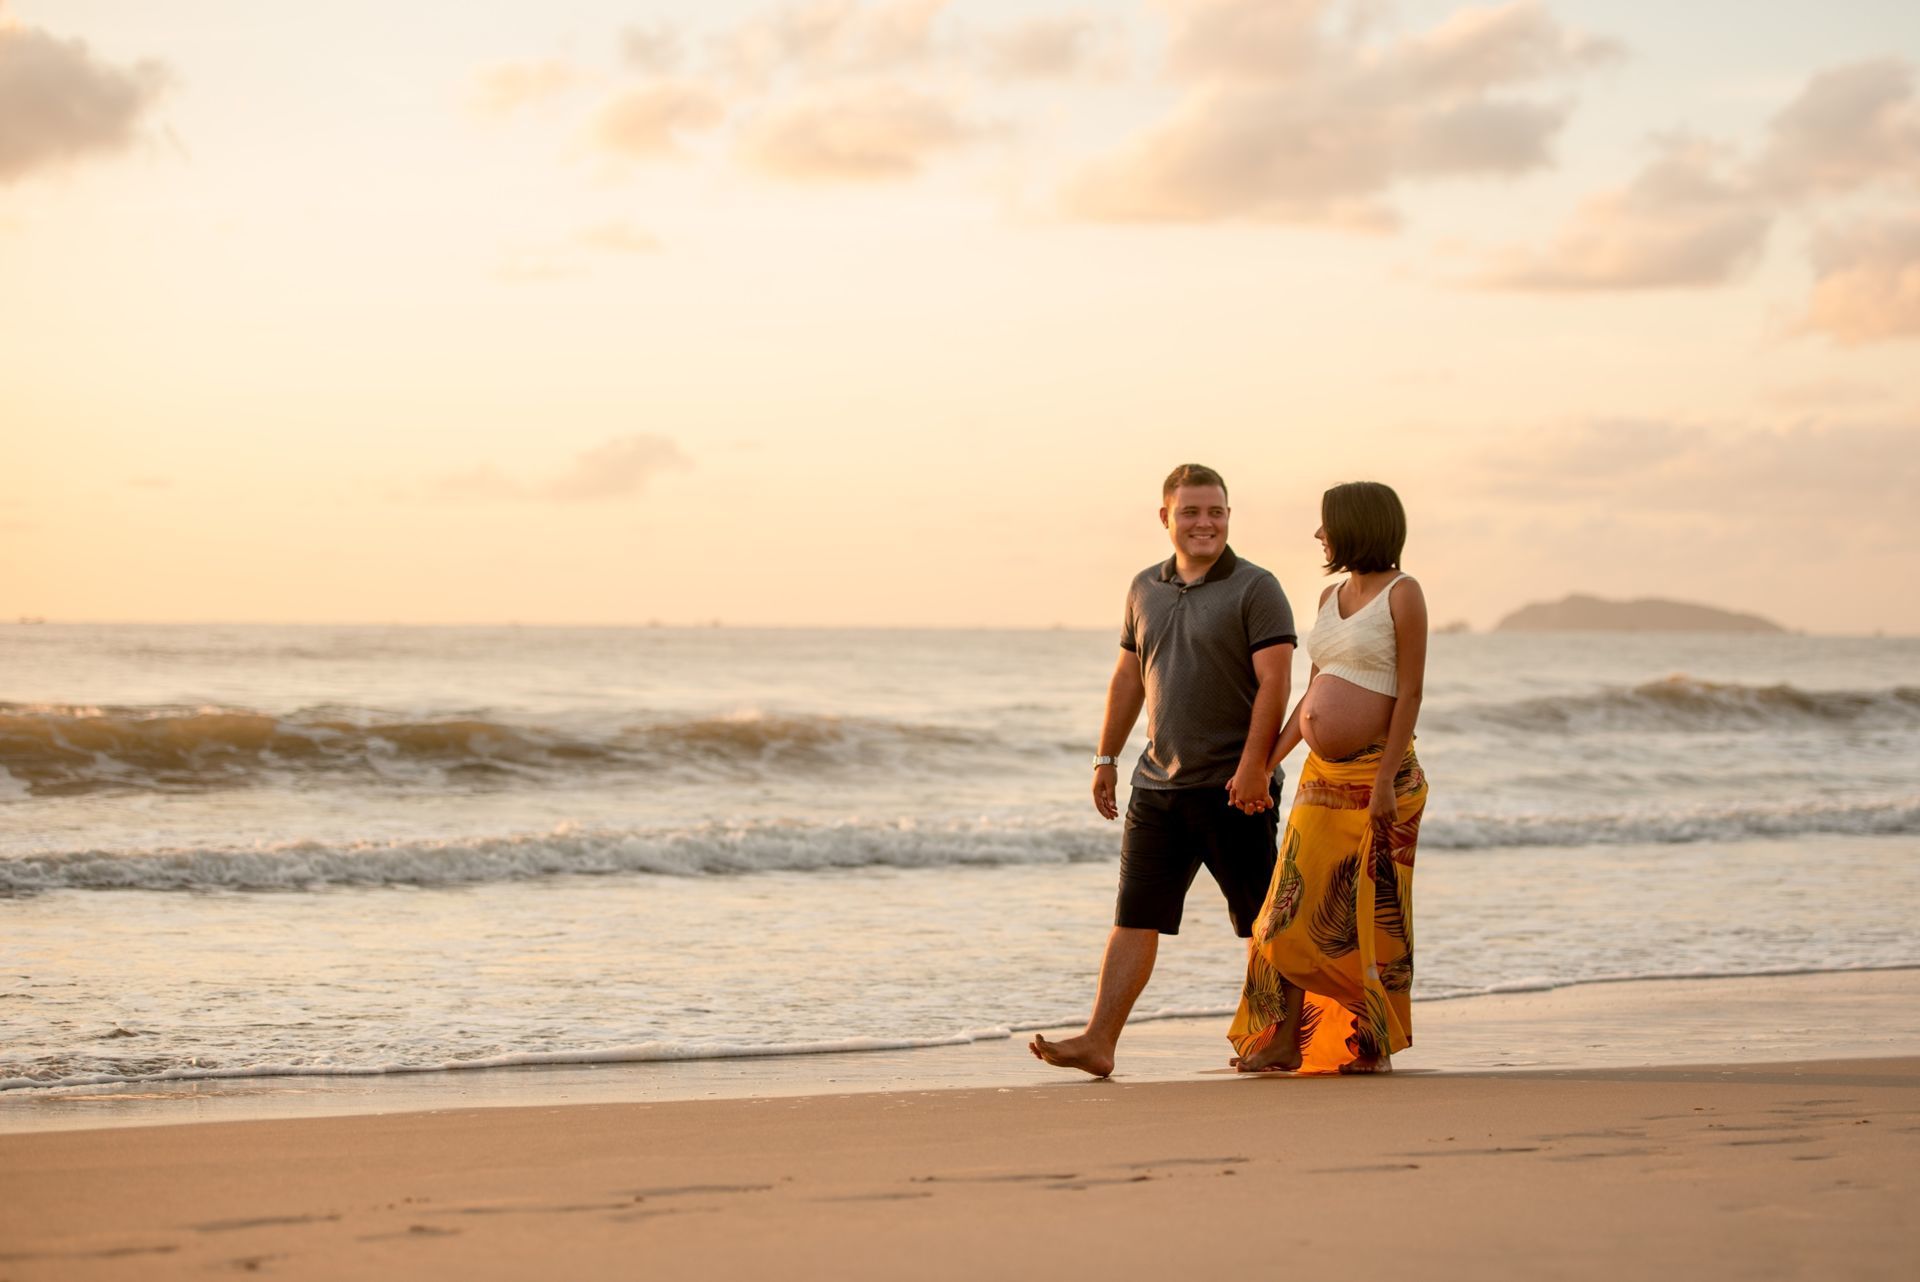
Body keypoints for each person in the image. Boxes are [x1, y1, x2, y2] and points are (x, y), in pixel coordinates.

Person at [1031, 464, 1296, 1078]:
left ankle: (1282, 1039)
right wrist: (1106, 757)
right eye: (1191, 512)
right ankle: (1100, 1041)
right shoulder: (1143, 588)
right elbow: (1128, 677)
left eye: (1216, 512)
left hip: (1234, 789)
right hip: (1156, 786)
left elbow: (1276, 681)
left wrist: (1256, 766)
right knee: (1134, 914)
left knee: (1263, 920)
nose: (1205, 523)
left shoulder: (1257, 587)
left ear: (1229, 516)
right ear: (1165, 517)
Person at [1229, 480, 1428, 1074]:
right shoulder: (1327, 596)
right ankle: (1286, 1039)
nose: (1319, 535)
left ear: (1357, 525)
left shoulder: (1404, 593)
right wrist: (1266, 762)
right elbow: (1314, 694)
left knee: (1364, 917)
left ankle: (1373, 1047)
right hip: (1322, 777)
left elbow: (1411, 692)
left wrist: (1388, 778)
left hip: (1379, 777)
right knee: (1286, 916)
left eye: (1327, 523)